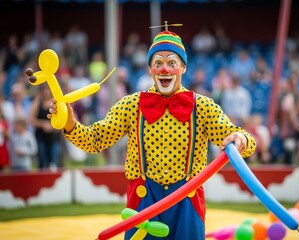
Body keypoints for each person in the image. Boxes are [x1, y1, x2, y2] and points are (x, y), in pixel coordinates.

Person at [47, 28, 256, 239]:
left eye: (171, 63)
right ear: (149, 69)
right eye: (158, 63)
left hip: (187, 201)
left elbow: (237, 137)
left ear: (183, 67)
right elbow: (94, 140)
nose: (164, 69)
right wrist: (70, 124)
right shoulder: (131, 105)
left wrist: (241, 139)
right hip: (143, 199)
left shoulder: (202, 106)